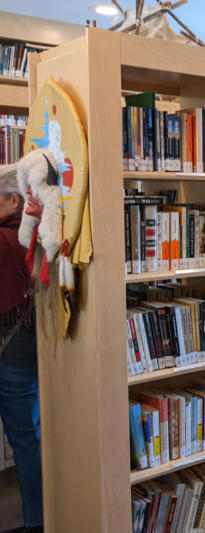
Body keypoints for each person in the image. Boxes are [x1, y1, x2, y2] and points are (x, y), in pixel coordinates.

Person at [0, 164, 43, 533]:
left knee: (25, 441)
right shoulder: (32, 233)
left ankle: (35, 521)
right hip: (28, 345)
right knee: (29, 438)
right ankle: (37, 519)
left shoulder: (7, 239)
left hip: (10, 352)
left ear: (13, 199)